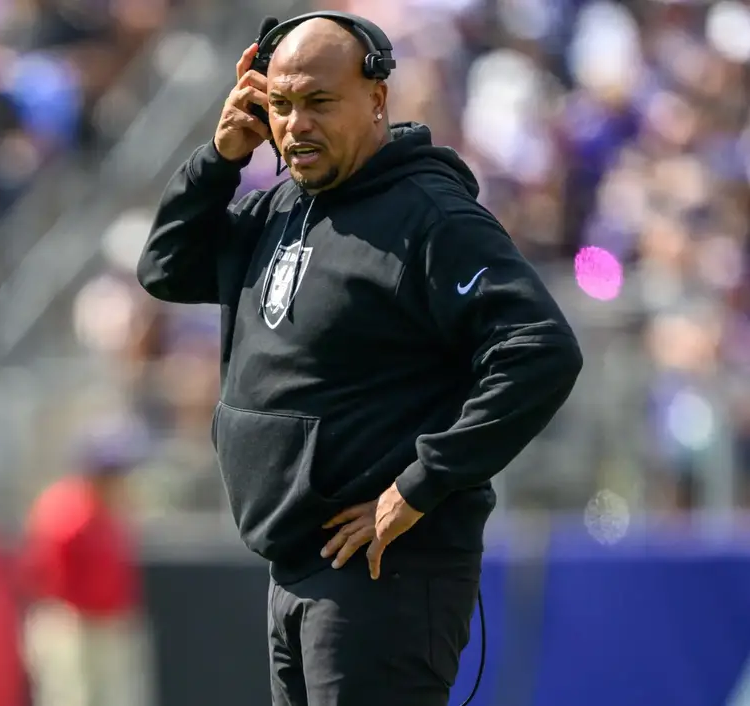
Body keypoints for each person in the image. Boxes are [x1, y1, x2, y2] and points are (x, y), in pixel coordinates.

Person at [136, 11, 583, 706]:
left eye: (318, 102)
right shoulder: (282, 203)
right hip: (294, 565)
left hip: (384, 574)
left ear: (375, 100)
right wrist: (219, 159)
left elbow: (539, 349)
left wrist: (422, 484)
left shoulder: (430, 215)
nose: (293, 125)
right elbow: (167, 268)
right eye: (278, 104)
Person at [19, 419, 152, 706]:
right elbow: (41, 578)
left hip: (112, 625)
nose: (121, 478)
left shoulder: (116, 511)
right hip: (70, 625)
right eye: (112, 471)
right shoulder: (64, 511)